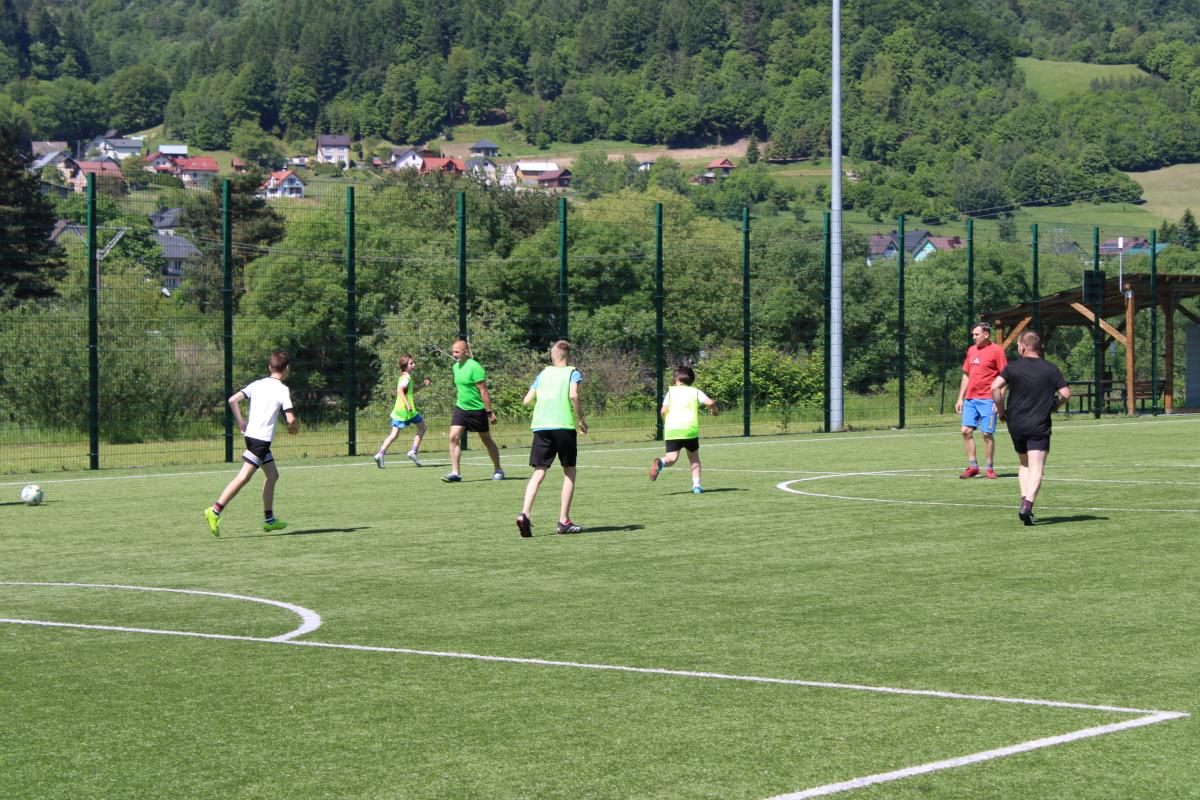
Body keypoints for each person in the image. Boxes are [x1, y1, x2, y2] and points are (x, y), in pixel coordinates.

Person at [204, 350, 299, 537]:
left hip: (252, 437)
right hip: (260, 440)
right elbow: (290, 419)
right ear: (287, 368)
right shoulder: (282, 390)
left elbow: (232, 400)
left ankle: (269, 520)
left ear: (270, 367)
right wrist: (294, 426)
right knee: (244, 477)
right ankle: (214, 510)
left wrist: (241, 422)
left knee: (272, 475)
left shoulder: (257, 384)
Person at [991, 330, 1069, 526]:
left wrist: (1001, 410)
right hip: (1039, 423)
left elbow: (995, 387)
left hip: (1016, 423)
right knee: (1037, 467)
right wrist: (1054, 406)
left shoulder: (1012, 368)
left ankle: (1024, 501)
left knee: (1024, 464)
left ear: (1022, 347)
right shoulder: (1051, 369)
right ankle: (1027, 506)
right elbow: (1066, 394)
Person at [515, 340, 588, 537]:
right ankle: (563, 521)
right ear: (568, 356)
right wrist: (581, 420)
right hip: (563, 426)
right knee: (569, 470)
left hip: (541, 427)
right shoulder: (572, 372)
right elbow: (573, 395)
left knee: (539, 471)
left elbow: (526, 400)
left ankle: (524, 513)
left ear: (552, 356)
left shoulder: (543, 374)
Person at [649, 365, 718, 494]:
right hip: (689, 430)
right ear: (691, 380)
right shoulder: (695, 391)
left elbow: (663, 411)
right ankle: (696, 486)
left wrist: (666, 422)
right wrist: (715, 411)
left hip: (672, 430)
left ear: (676, 380)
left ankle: (661, 463)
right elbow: (711, 403)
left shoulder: (671, 392)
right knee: (694, 459)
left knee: (671, 458)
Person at [444, 339, 503, 482]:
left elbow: (484, 391)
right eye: (453, 352)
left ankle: (498, 469)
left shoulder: (475, 367)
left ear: (466, 352)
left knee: (486, 439)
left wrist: (489, 412)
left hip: (477, 410)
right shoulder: (455, 367)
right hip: (461, 408)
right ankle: (455, 473)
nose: (454, 354)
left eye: (457, 352)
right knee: (453, 437)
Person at [955, 322, 1007, 479]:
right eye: (973, 334)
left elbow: (1005, 377)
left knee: (986, 433)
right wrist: (960, 398)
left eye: (976, 334)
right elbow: (966, 375)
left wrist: (999, 401)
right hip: (970, 399)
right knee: (965, 431)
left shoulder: (997, 350)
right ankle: (973, 467)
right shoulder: (971, 350)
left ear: (986, 335)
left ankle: (989, 468)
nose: (973, 337)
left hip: (988, 400)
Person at [373, 354, 430, 468]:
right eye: (411, 363)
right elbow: (399, 390)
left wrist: (422, 385)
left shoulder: (404, 377)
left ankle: (380, 454)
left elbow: (410, 391)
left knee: (394, 434)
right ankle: (413, 451)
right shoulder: (406, 378)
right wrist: (407, 404)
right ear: (405, 366)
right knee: (422, 427)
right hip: (407, 411)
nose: (414, 365)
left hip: (398, 410)